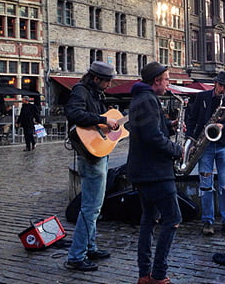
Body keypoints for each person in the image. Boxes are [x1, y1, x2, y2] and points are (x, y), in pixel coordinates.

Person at [127, 62, 183, 284]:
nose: (169, 83)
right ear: (157, 81)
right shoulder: (148, 100)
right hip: (155, 172)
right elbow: (152, 137)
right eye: (167, 79)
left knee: (148, 220)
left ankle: (144, 275)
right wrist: (176, 150)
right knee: (173, 219)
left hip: (143, 171)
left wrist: (169, 125)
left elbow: (147, 129)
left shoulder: (140, 98)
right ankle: (159, 274)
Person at [64, 61, 118, 271]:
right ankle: (76, 256)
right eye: (107, 81)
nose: (109, 85)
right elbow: (75, 114)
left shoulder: (96, 94)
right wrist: (103, 119)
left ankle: (90, 246)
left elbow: (104, 124)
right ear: (96, 78)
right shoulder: (81, 91)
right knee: (91, 207)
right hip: (90, 155)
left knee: (94, 205)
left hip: (97, 151)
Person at [185, 71, 225, 236]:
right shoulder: (202, 97)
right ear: (215, 83)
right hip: (205, 146)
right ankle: (207, 221)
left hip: (223, 145)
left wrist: (224, 127)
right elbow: (192, 119)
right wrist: (193, 141)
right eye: (221, 85)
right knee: (206, 185)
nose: (223, 89)